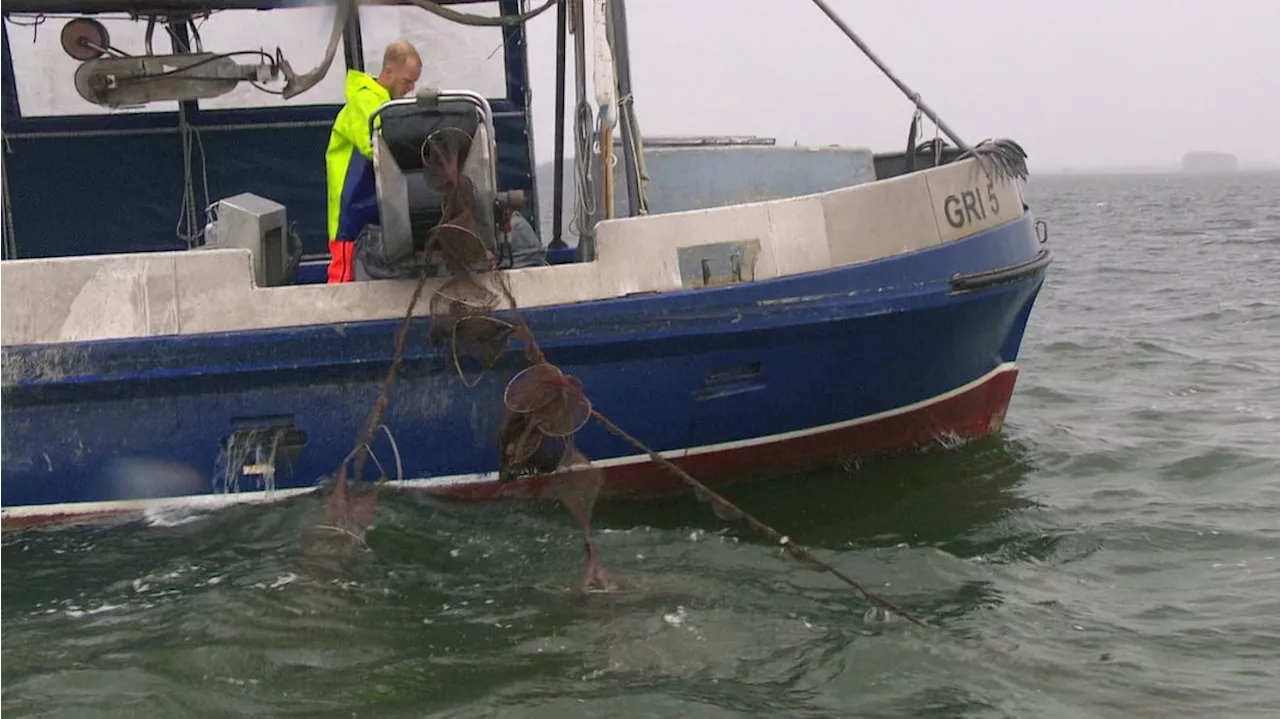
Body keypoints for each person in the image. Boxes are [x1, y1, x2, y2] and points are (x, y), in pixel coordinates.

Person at [325, 41, 422, 284]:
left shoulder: (387, 104)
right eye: (408, 81)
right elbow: (375, 144)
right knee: (343, 280)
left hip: (375, 209)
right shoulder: (365, 100)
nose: (411, 89)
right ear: (389, 72)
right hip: (351, 213)